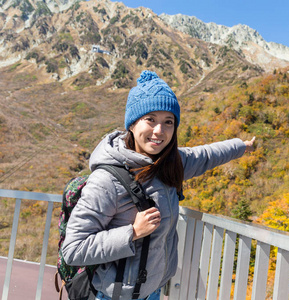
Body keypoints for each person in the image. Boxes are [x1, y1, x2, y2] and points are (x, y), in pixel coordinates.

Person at [61, 70, 256, 300]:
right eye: (150, 119)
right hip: (114, 295)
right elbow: (73, 249)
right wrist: (132, 233)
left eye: (168, 122)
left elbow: (207, 155)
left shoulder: (169, 163)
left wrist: (242, 146)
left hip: (151, 290)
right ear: (132, 124)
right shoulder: (107, 180)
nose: (159, 131)